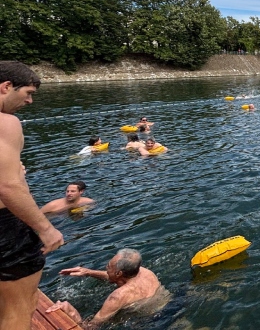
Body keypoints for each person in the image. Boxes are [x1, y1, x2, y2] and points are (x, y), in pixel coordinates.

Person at [0, 61, 64, 330]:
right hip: (4, 227)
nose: (29, 101)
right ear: (6, 87)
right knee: (20, 307)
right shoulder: (7, 122)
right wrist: (46, 229)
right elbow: (7, 186)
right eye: (28, 92)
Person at [46, 249, 169, 328]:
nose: (106, 267)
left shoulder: (118, 296)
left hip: (151, 322)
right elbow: (113, 277)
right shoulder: (144, 272)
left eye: (108, 266)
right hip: (169, 307)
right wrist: (88, 272)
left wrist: (70, 311)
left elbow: (91, 327)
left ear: (119, 273)